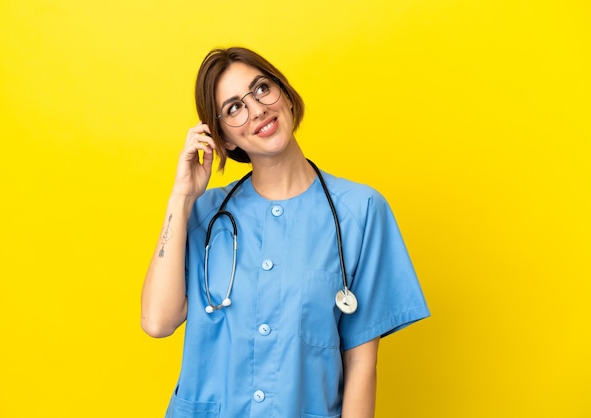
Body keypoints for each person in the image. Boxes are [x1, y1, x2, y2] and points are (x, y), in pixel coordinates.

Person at [141, 46, 429, 418]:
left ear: (286, 95)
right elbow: (157, 321)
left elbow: (361, 363)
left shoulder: (360, 212)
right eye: (234, 108)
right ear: (224, 138)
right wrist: (181, 198)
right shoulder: (204, 215)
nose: (256, 109)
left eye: (261, 88)